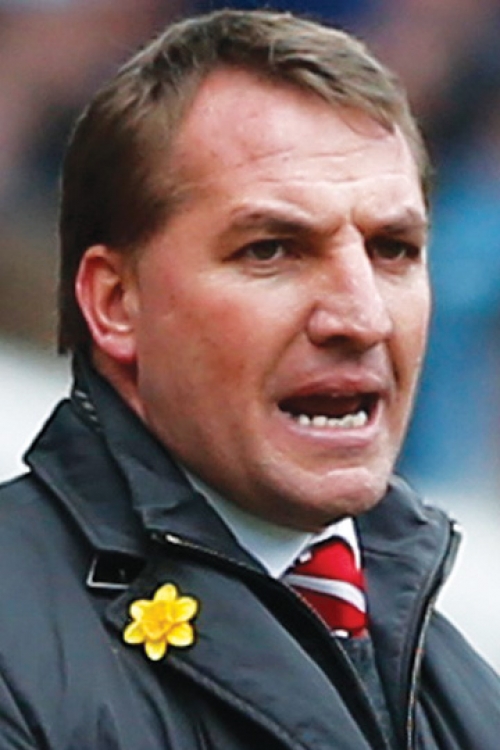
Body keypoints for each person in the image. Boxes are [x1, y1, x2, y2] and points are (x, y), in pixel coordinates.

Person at [0, 8, 498, 749]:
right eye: (272, 249)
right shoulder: (18, 645)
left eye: (393, 249)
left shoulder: (467, 691)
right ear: (116, 302)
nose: (362, 317)